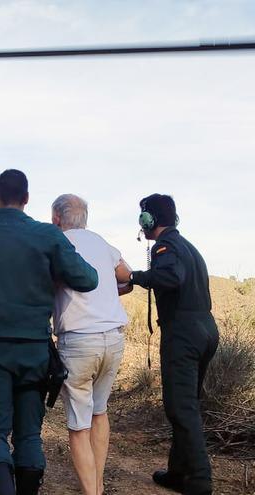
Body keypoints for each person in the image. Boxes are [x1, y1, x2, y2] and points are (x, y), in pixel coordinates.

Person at [0, 170, 98, 495]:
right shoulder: (47, 236)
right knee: (29, 434)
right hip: (34, 351)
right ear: (26, 199)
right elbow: (88, 279)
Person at [128, 194, 219, 495]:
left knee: (180, 408)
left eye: (143, 217)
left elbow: (170, 276)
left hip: (183, 333)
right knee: (187, 405)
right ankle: (179, 472)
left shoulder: (164, 247)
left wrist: (134, 276)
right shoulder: (188, 247)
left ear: (148, 220)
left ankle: (200, 480)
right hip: (205, 328)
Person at [50, 194, 133, 495]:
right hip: (113, 337)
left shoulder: (56, 244)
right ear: (85, 218)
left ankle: (92, 492)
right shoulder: (101, 242)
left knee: (78, 425)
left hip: (78, 341)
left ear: (56, 218)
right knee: (100, 412)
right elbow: (126, 274)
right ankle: (97, 484)